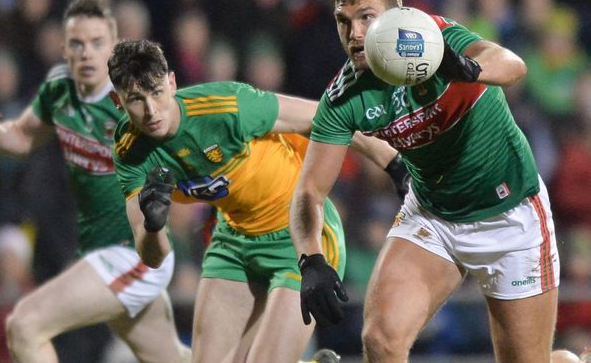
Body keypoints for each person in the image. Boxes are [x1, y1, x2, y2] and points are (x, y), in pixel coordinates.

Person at [288, 0, 591, 363]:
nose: (355, 34)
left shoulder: (433, 40)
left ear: (396, 17)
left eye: (366, 17)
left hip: (511, 216)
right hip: (433, 216)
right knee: (381, 341)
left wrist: (470, 68)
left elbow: (514, 66)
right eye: (343, 21)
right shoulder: (345, 96)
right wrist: (311, 259)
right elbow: (310, 192)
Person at [107, 39, 405, 363]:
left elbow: (325, 118)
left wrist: (394, 164)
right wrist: (153, 225)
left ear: (173, 82)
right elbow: (153, 256)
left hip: (299, 233)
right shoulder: (128, 150)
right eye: (136, 99)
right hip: (233, 242)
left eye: (156, 92)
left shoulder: (225, 107)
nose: (151, 110)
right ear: (117, 102)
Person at [0, 0, 190, 363]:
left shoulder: (134, 97)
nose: (86, 53)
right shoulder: (59, 92)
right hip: (100, 250)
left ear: (115, 47)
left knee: (25, 325)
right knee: (173, 358)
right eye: (78, 44)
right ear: (64, 48)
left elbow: (182, 140)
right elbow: (22, 137)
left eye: (97, 43)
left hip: (133, 251)